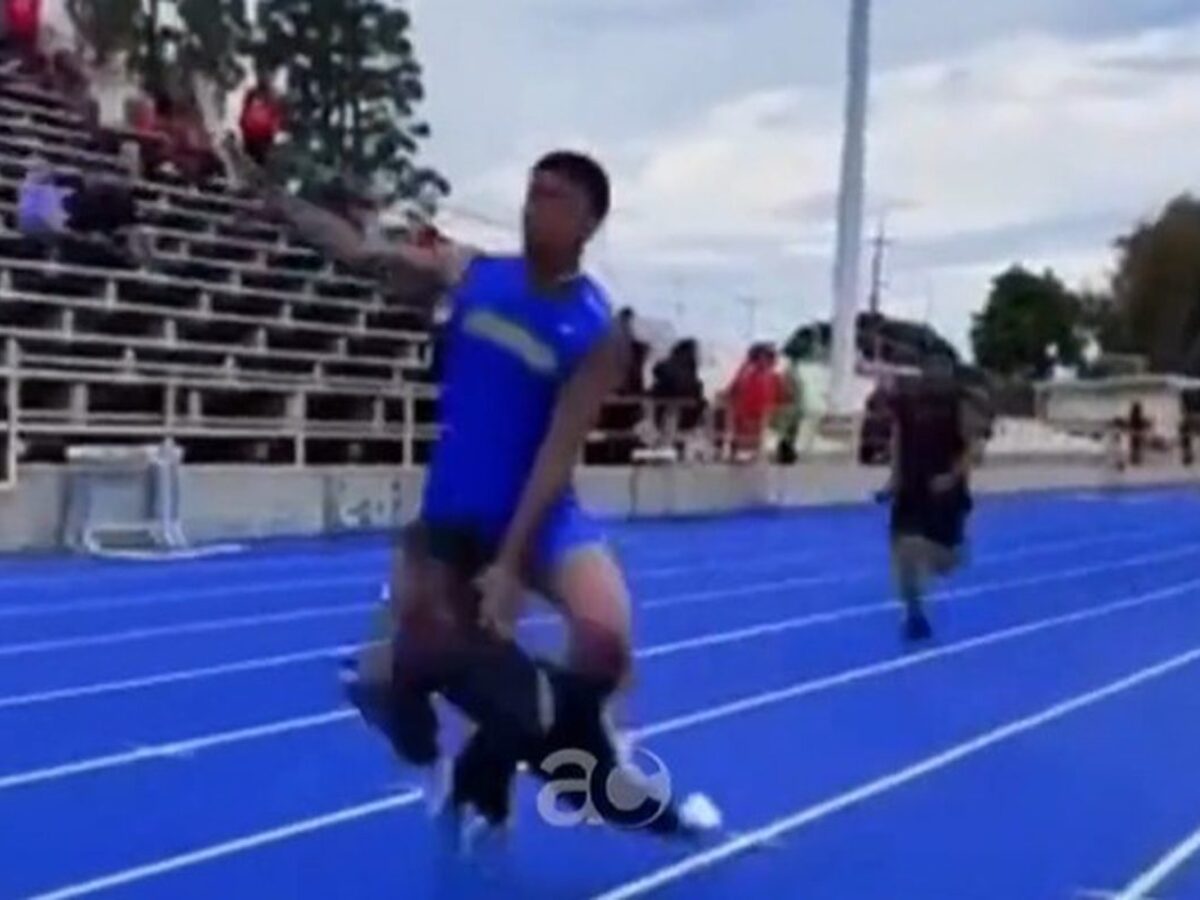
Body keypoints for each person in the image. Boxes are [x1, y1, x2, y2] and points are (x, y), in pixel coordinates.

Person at [229, 146, 716, 850]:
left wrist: (513, 563)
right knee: (420, 669)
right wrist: (278, 202)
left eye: (552, 198)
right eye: (530, 191)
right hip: (455, 510)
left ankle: (535, 761)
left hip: (539, 511)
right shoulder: (473, 274)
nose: (531, 207)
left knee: (606, 634)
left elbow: (556, 453)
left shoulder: (598, 333)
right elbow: (366, 255)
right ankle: (481, 749)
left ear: (588, 221)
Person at [884, 354, 975, 641]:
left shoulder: (959, 404)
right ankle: (914, 613)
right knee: (902, 549)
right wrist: (894, 477)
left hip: (944, 492)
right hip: (911, 486)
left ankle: (953, 552)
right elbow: (897, 438)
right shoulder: (907, 403)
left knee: (944, 561)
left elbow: (971, 445)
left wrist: (952, 476)